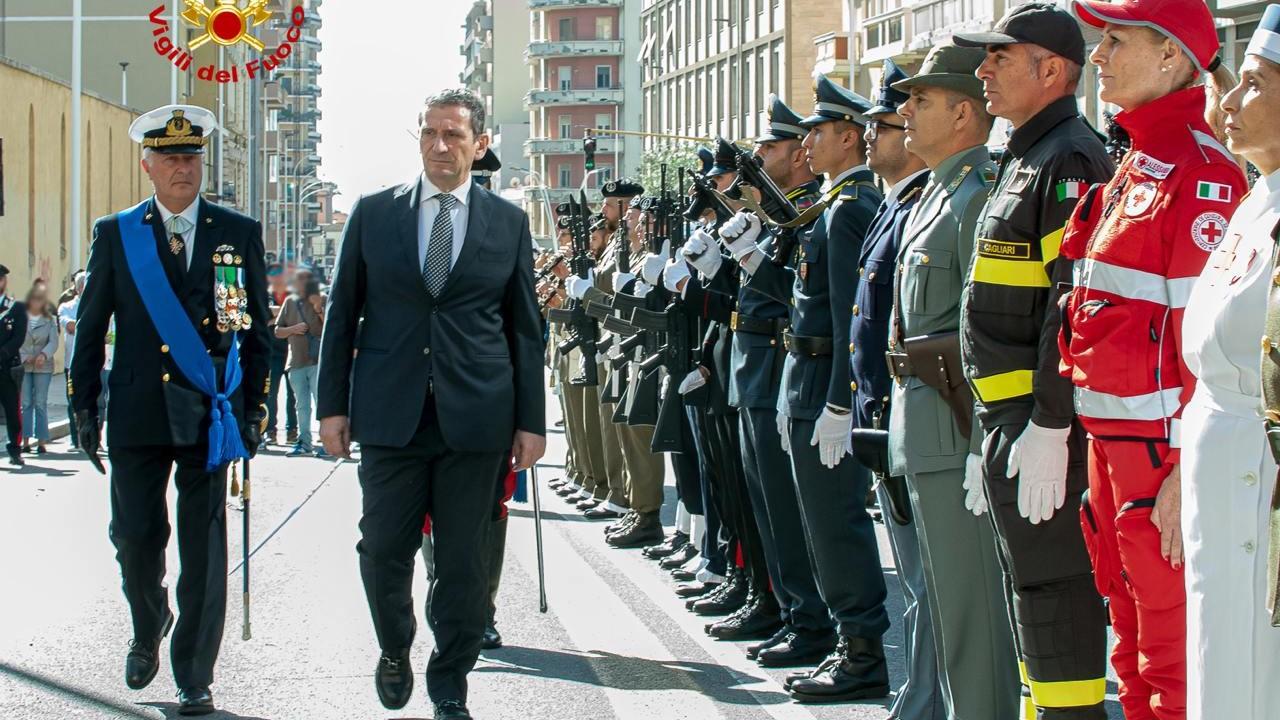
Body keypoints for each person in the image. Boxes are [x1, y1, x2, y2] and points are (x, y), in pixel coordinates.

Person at [317, 88, 545, 720]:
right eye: (429, 133)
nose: (440, 146)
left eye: (454, 135)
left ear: (479, 144)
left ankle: (450, 681)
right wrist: (331, 406)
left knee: (465, 566)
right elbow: (342, 316)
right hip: (391, 417)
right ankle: (395, 646)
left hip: (477, 420)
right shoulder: (373, 214)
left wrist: (531, 421)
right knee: (382, 549)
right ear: (417, 137)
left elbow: (525, 329)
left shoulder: (508, 222)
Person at [1061, 1, 1247, 716]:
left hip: (1158, 459)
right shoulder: (1140, 162)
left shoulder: (1205, 176)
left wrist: (1182, 473)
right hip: (1113, 451)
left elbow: (1211, 344)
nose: (1099, 56)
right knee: (1130, 647)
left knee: (1172, 664)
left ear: (1171, 57)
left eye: (1115, 40)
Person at [70, 104, 271, 716]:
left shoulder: (235, 231)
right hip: (136, 410)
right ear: (147, 166)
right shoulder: (117, 232)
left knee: (204, 549)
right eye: (170, 159)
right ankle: (149, 617)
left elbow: (253, 328)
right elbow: (91, 325)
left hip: (208, 414)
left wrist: (256, 405)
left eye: (191, 158)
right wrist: (84, 405)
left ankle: (194, 673)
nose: (182, 169)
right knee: (135, 537)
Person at [954, 5, 1116, 717]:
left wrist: (1051, 424)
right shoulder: (1027, 153)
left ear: (1050, 70)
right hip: (1011, 425)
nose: (983, 70)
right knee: (1030, 602)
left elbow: (1069, 304)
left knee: (1058, 605)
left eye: (1000, 56)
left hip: (1045, 436)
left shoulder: (1070, 158)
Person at [722, 73, 891, 703]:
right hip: (800, 377)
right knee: (816, 523)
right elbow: (800, 298)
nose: (807, 143)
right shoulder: (826, 208)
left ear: (847, 138)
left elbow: (853, 315)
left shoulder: (847, 212)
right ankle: (834, 635)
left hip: (821, 380)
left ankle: (861, 651)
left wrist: (842, 401)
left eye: (818, 132)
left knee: (835, 523)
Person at [890, 44, 1020, 720]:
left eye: (921, 101)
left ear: (964, 112)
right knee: (945, 619)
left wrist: (984, 442)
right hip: (925, 432)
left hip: (958, 432)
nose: (906, 111)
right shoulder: (933, 194)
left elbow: (988, 333)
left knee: (975, 625)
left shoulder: (977, 197)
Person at [1180, 7, 1280, 718]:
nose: (1231, 102)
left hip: (1261, 479)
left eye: (1253, 83)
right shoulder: (1256, 197)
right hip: (1218, 478)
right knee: (1220, 664)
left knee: (1257, 672)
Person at [850, 60, 943, 720]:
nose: (870, 138)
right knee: (915, 580)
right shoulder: (895, 205)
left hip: (920, 416)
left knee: (930, 583)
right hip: (888, 415)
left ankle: (923, 704)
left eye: (883, 125)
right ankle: (922, 700)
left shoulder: (927, 204)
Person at [275, 268, 325, 457]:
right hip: (295, 362)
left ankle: (327, 443)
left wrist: (318, 309)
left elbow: (332, 328)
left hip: (317, 362)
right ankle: (304, 442)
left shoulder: (322, 299)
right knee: (301, 406)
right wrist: (293, 329)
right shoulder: (290, 302)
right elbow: (278, 331)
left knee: (321, 403)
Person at [19, 281, 58, 455]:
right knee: (26, 403)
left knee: (41, 403)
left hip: (44, 366)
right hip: (25, 365)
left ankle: (41, 441)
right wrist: (23, 356)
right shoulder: (21, 317)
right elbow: (15, 339)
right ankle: (25, 441)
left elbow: (54, 342)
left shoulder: (50, 320)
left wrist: (43, 355)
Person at [265, 262, 297, 446]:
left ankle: (293, 430)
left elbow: (297, 317)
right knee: (271, 392)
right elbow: (262, 316)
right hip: (272, 351)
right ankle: (270, 430)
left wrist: (275, 316)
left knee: (293, 394)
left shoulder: (294, 296)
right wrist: (283, 315)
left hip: (292, 350)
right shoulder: (267, 296)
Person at [0, 265, 28, 466]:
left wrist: (2, 353)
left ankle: (15, 449)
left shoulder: (16, 308)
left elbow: (18, 337)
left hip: (8, 367)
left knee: (12, 410)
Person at [58, 271, 86, 449]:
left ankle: (92, 437)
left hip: (96, 360)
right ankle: (76, 438)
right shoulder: (66, 307)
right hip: (72, 362)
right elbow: (70, 327)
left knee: (96, 401)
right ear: (78, 288)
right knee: (72, 401)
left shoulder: (98, 303)